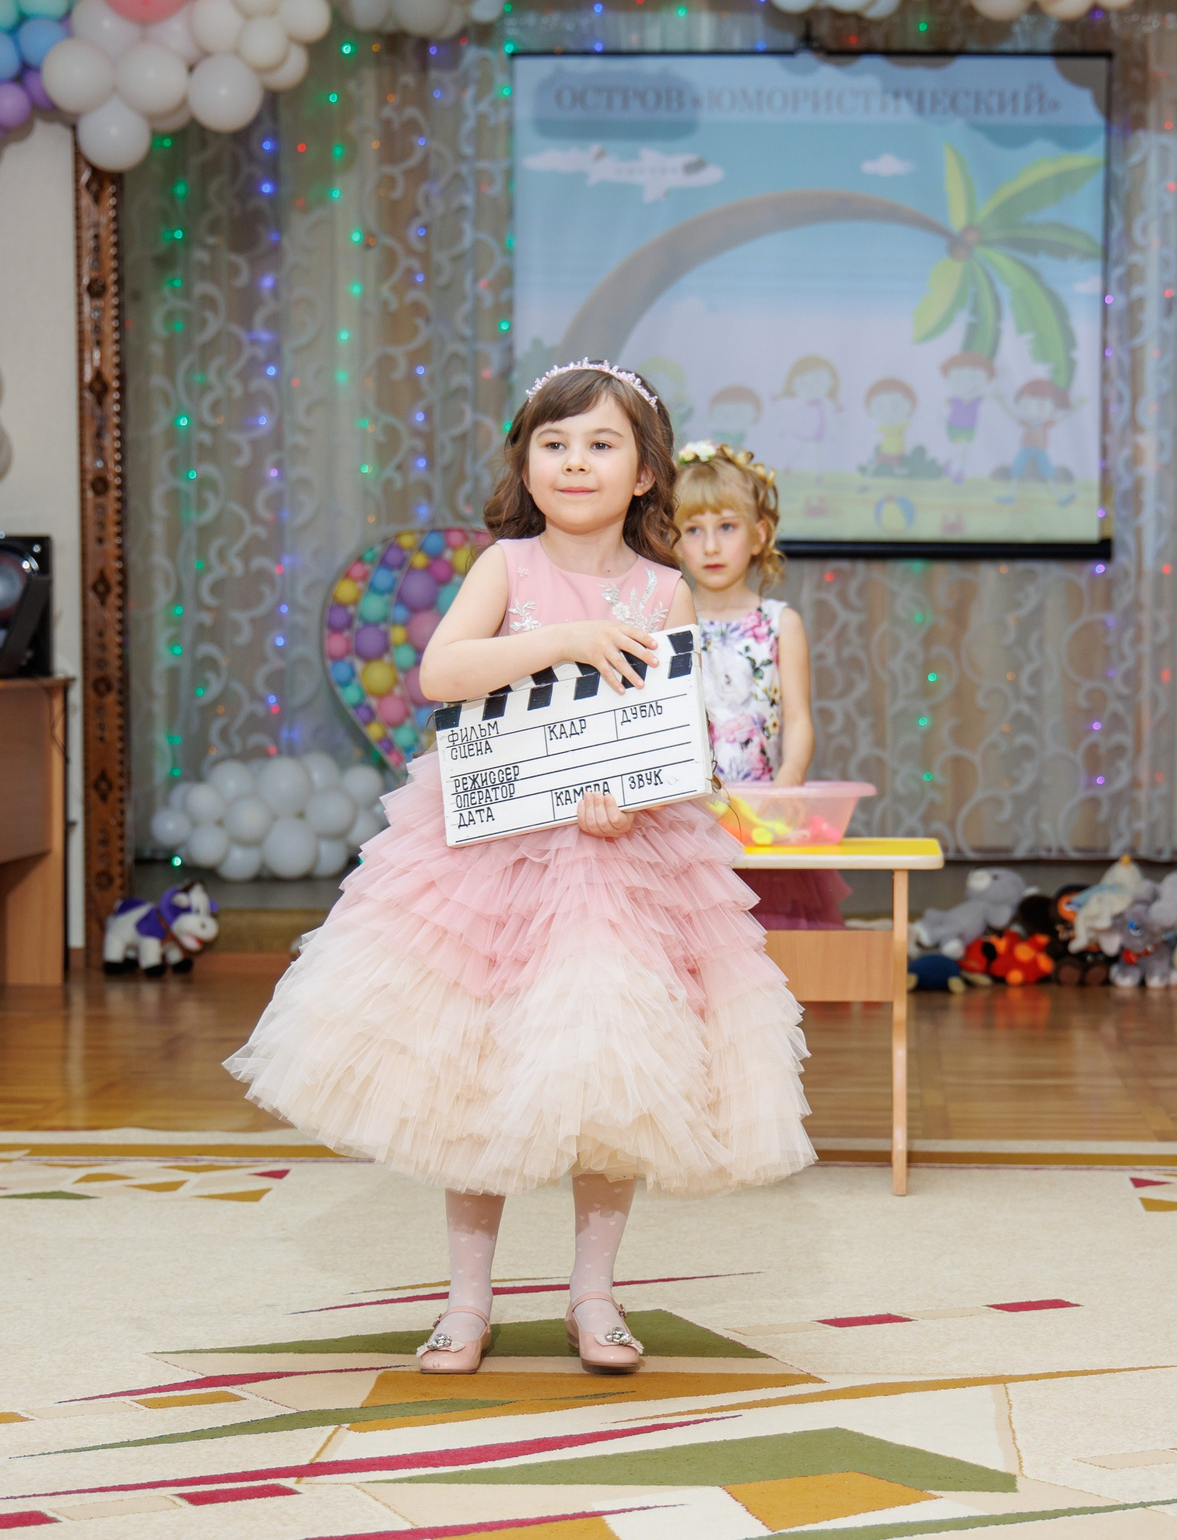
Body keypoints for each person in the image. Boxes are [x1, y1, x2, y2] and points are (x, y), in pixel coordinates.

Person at [225, 359, 813, 1376]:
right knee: (473, 1076)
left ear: (642, 474)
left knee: (606, 1075)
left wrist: (629, 803)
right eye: (554, 442)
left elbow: (669, 729)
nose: (574, 462)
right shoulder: (506, 567)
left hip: (621, 864)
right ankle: (465, 1301)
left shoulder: (666, 589)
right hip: (492, 861)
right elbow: (443, 672)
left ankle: (595, 1294)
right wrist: (568, 639)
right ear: (526, 462)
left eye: (601, 444)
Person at [676, 439, 847, 929]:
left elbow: (797, 718)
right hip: (689, 823)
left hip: (764, 816)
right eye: (693, 530)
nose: (710, 546)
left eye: (726, 527)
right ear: (674, 541)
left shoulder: (780, 623)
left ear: (758, 534)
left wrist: (788, 783)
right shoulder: (666, 626)